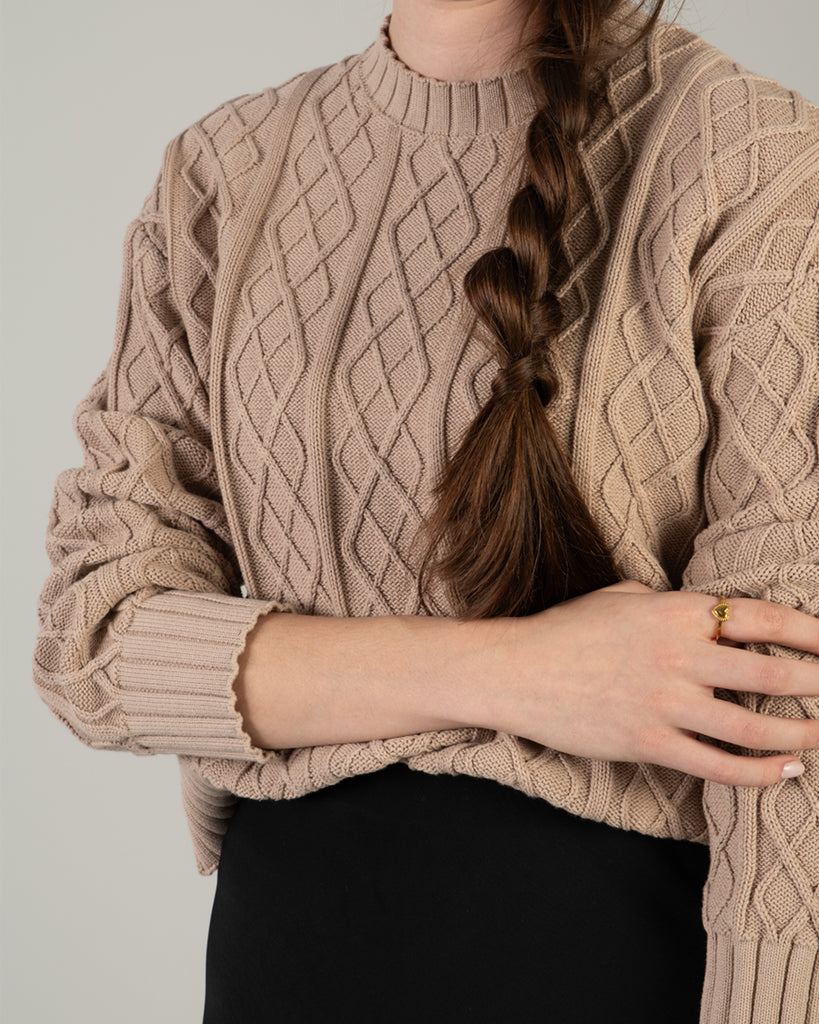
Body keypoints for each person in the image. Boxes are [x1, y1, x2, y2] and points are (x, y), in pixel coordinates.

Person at [32, 0, 819, 1020]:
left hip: (612, 960)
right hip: (287, 958)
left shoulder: (750, 159)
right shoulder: (224, 172)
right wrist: (523, 673)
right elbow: (94, 644)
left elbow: (791, 718)